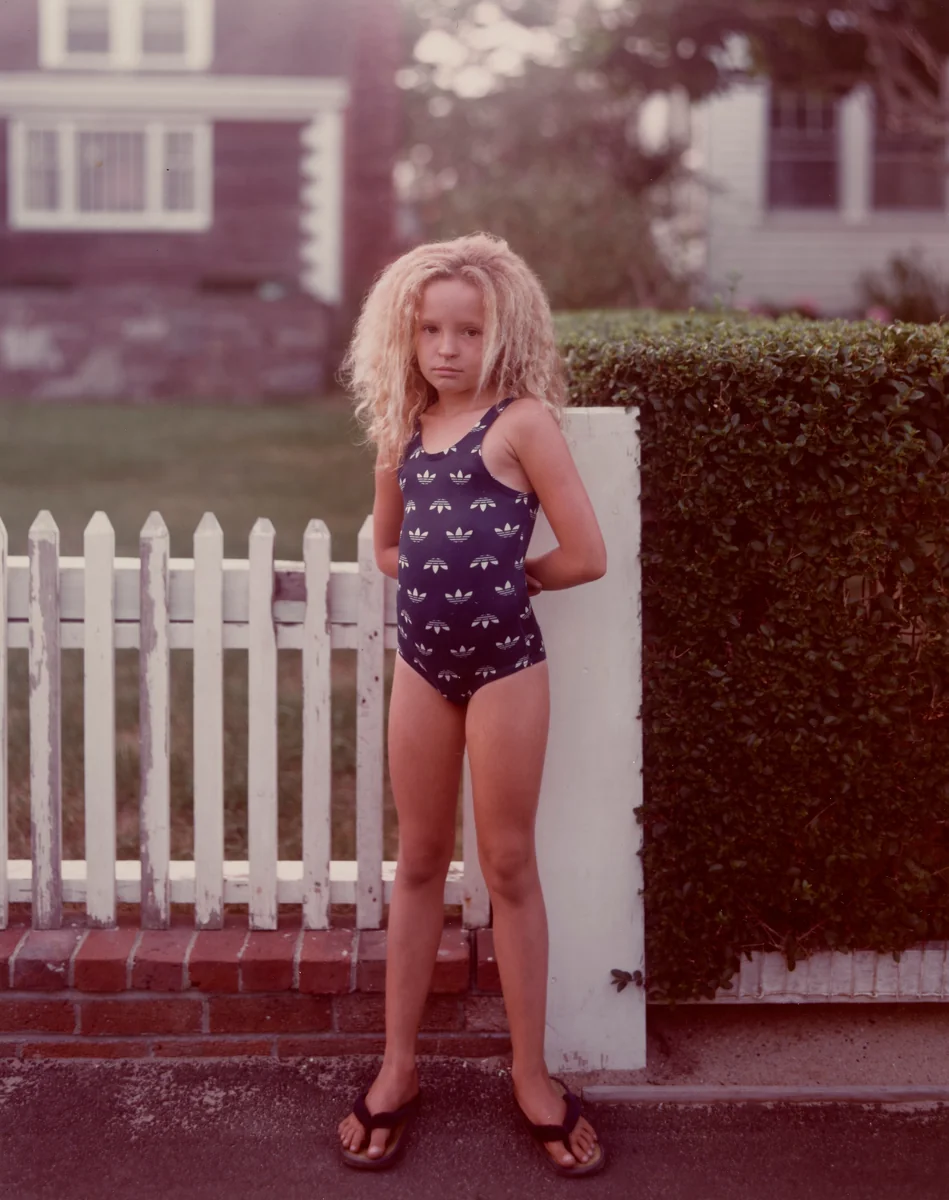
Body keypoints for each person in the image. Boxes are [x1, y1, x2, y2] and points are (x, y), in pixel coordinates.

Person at [336, 232, 608, 1177]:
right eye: (429, 330)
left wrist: (509, 578)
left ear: (503, 332)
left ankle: (530, 1074)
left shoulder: (521, 422)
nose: (446, 348)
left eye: (467, 329)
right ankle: (398, 1067)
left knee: (505, 863)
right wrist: (434, 580)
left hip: (503, 666)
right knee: (416, 862)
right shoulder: (401, 431)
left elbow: (586, 554)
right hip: (423, 666)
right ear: (405, 337)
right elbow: (384, 550)